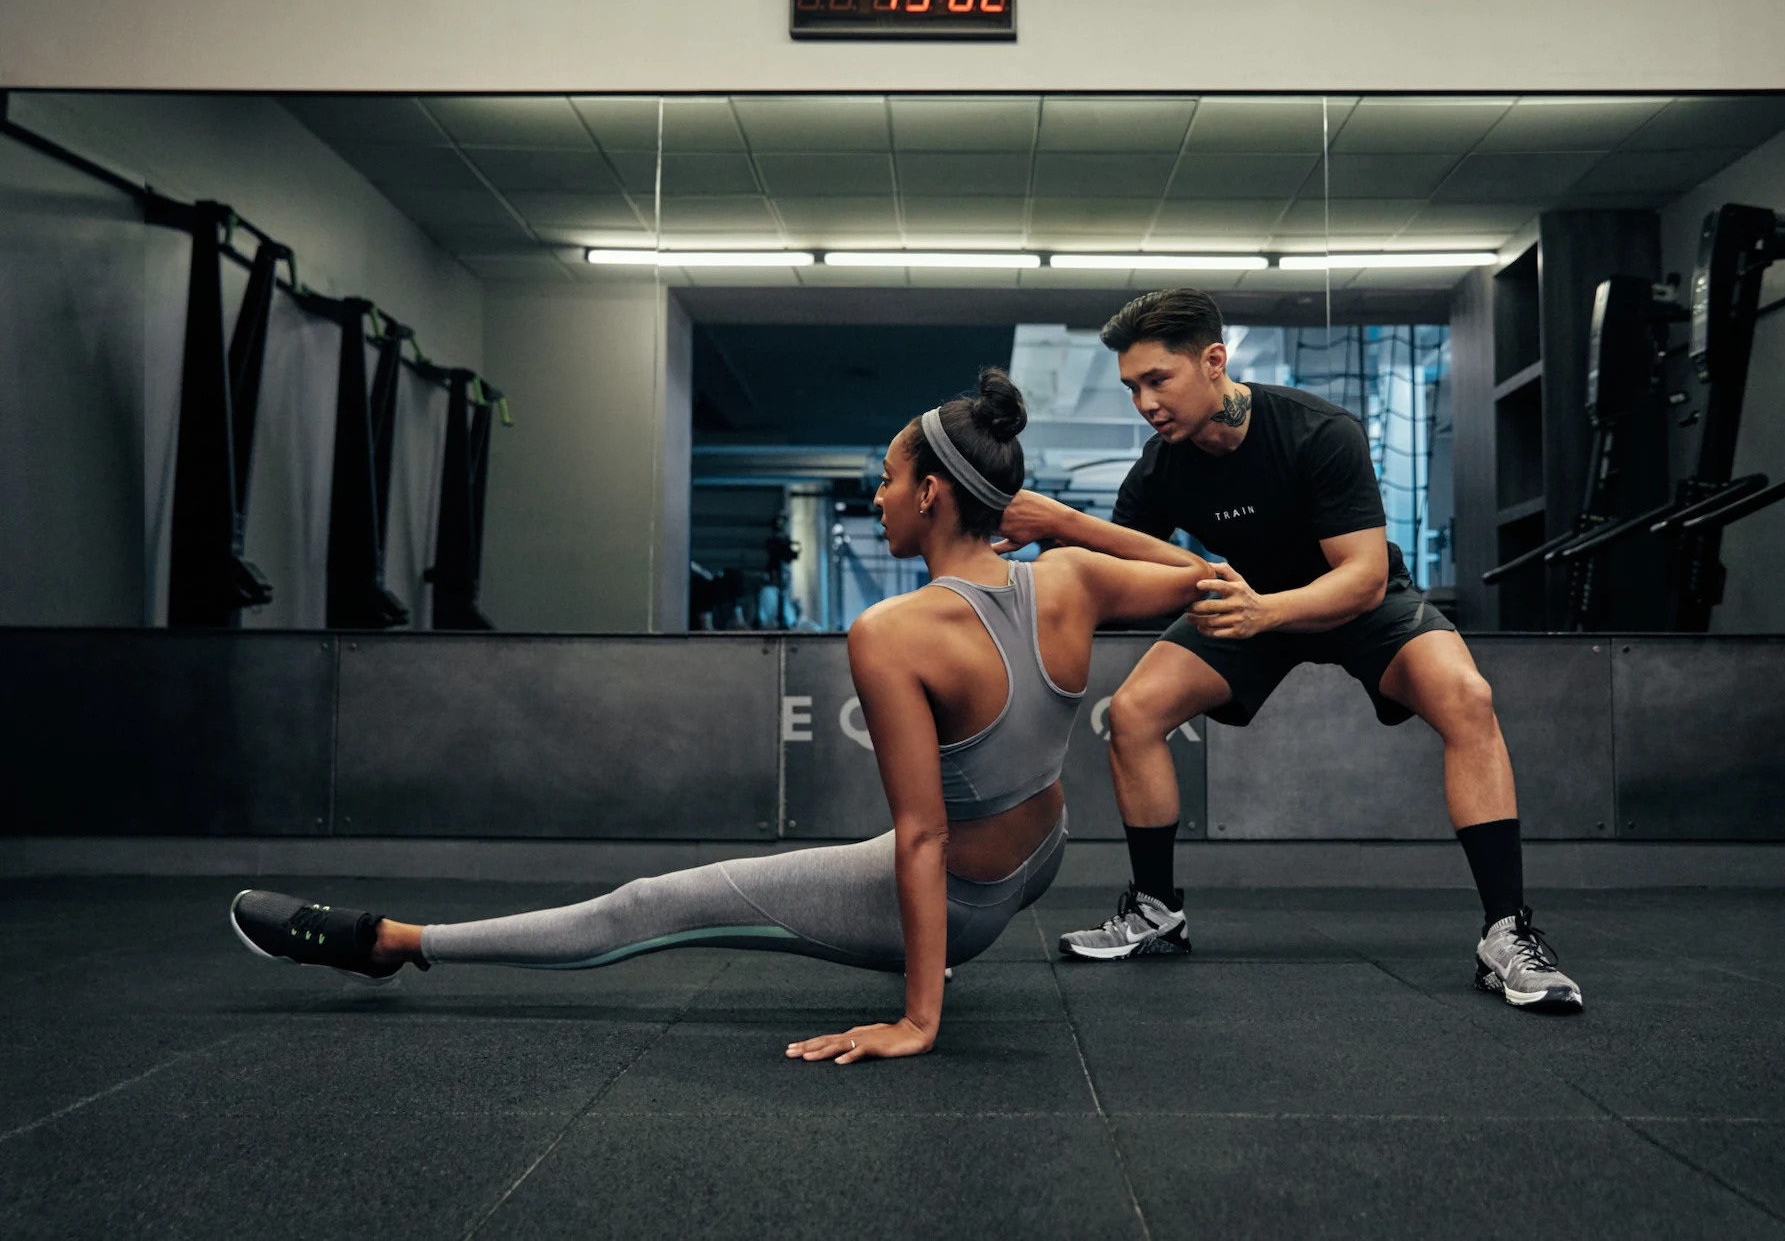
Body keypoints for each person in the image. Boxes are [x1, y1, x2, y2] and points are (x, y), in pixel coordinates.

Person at [228, 370, 1215, 1062]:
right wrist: (1065, 522)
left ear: (928, 492)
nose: (874, 498)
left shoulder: (894, 632)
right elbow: (1209, 580)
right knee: (899, 838)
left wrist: (919, 1018)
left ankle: (392, 941)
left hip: (963, 897)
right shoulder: (1073, 581)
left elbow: (921, 837)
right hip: (1045, 855)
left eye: (884, 478)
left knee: (651, 905)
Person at [992, 289, 1583, 1012]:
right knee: (1138, 711)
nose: (1144, 402)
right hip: (1249, 599)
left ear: (1214, 361)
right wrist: (1061, 531)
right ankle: (1156, 910)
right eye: (1132, 387)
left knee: (1468, 697)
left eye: (1158, 380)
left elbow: (1362, 578)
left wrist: (1264, 609)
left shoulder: (1316, 432)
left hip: (1353, 600)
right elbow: (1149, 570)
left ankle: (1505, 935)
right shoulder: (1163, 465)